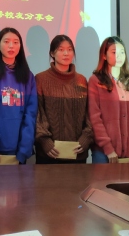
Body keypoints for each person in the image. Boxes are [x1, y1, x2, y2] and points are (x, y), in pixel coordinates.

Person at [0, 27, 37, 165]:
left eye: (16, 42)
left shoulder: (28, 76)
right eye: (6, 41)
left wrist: (25, 147)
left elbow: (31, 114)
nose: (11, 46)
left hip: (18, 151)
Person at [35, 35, 93, 164]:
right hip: (48, 154)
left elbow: (89, 114)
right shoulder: (41, 79)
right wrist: (45, 142)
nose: (66, 53)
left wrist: (85, 139)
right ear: (52, 53)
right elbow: (38, 114)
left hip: (77, 154)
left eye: (70, 49)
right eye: (61, 49)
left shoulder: (82, 80)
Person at [88, 36, 129, 163]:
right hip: (103, 153)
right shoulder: (95, 81)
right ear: (104, 55)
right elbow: (95, 118)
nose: (119, 56)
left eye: (122, 52)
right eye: (114, 52)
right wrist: (108, 148)